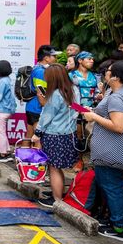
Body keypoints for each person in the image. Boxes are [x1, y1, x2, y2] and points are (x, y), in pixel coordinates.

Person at [82, 60, 123, 242]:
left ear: (116, 77)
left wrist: (93, 116)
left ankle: (119, 228)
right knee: (114, 186)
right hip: (119, 150)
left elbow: (119, 126)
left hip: (111, 152)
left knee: (113, 188)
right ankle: (117, 221)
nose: (106, 73)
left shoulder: (117, 97)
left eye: (109, 71)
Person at [34, 63, 80, 208]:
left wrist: (37, 133)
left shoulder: (55, 94)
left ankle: (57, 200)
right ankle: (58, 193)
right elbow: (77, 108)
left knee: (53, 168)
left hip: (54, 135)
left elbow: (47, 117)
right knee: (58, 167)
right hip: (69, 134)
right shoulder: (74, 90)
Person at [25, 45, 61, 141]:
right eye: (54, 56)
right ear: (46, 58)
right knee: (38, 139)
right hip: (37, 108)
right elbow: (40, 93)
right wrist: (47, 107)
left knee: (29, 136)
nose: (56, 58)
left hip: (32, 107)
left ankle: (23, 151)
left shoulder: (37, 68)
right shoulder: (41, 72)